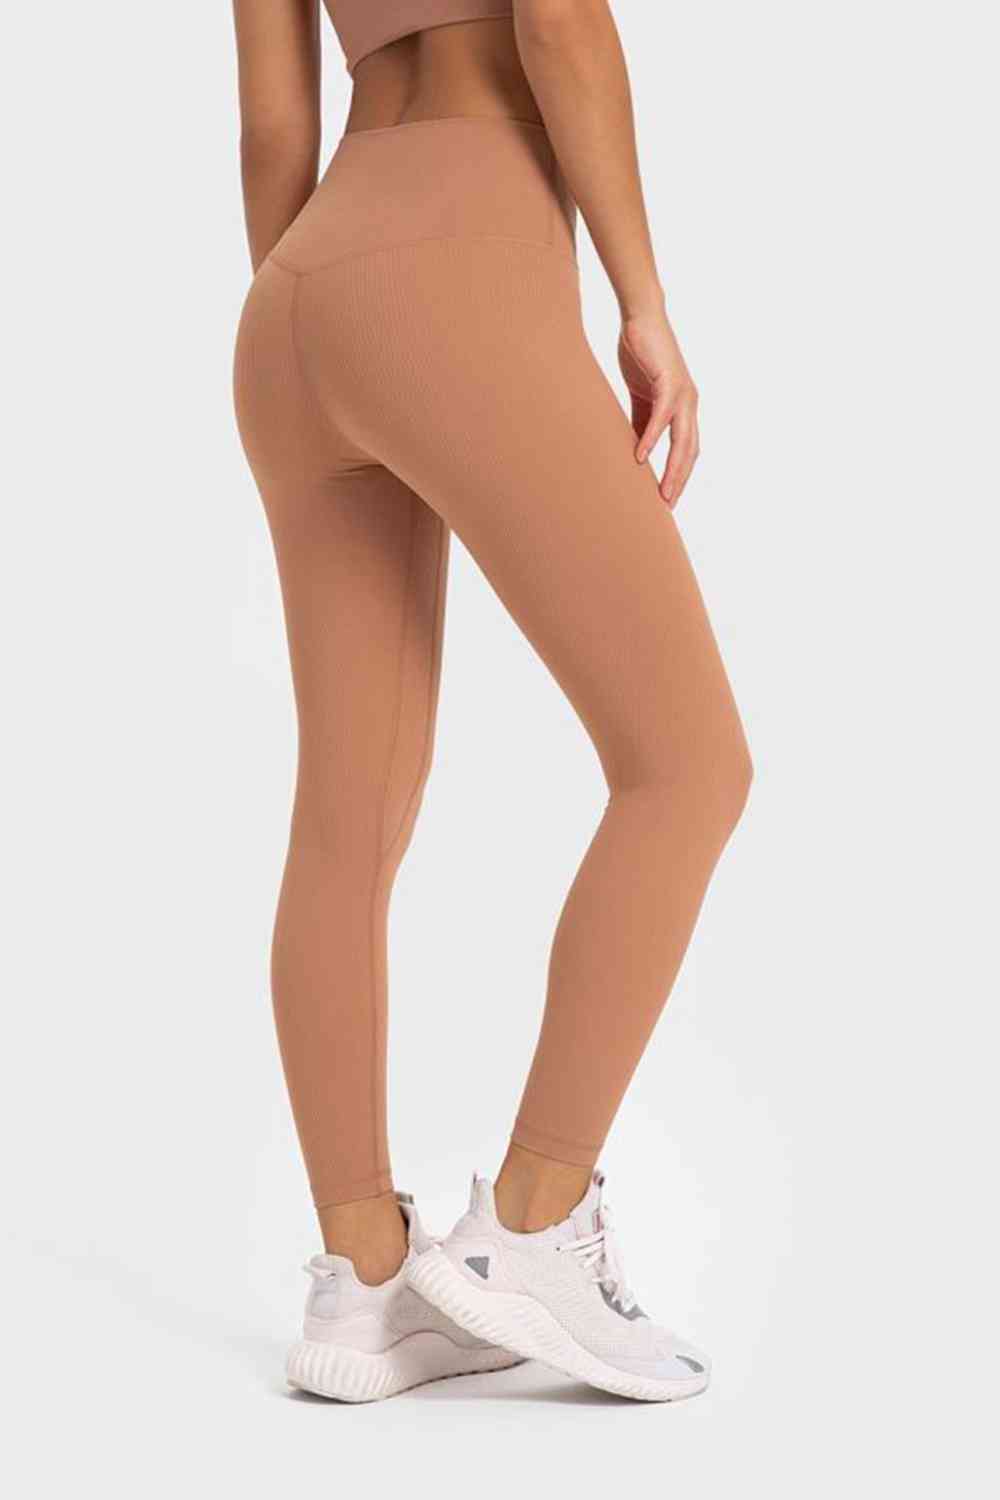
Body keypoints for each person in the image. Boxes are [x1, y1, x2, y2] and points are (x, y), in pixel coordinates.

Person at [233, 0, 751, 1403]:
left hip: (298, 294)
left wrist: (325, 310)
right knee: (688, 765)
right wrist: (644, 304)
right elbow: (561, 27)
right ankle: (534, 1222)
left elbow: (273, 125)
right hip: (458, 261)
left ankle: (364, 1283)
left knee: (345, 818)